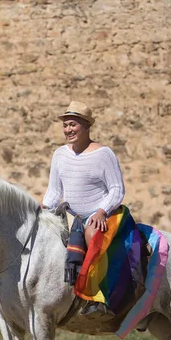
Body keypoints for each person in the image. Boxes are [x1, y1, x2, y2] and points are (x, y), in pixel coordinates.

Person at [41, 100, 125, 320]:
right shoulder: (59, 155)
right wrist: (42, 208)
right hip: (72, 216)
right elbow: (54, 191)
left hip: (103, 215)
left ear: (86, 126)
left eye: (73, 125)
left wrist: (101, 211)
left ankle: (97, 297)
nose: (68, 129)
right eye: (66, 125)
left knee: (91, 234)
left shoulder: (104, 154)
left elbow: (117, 189)